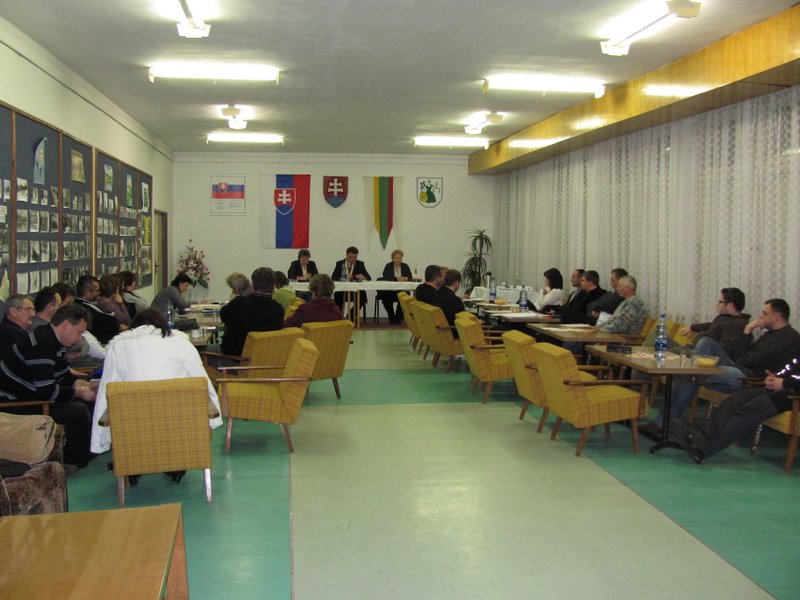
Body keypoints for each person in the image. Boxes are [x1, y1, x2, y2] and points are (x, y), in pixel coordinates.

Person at [645, 298, 800, 434]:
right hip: (740, 366)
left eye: (765, 314)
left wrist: (745, 341)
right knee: (706, 343)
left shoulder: (788, 337)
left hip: (749, 377)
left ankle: (663, 422)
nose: (761, 317)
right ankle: (689, 372)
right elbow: (742, 355)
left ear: (776, 317)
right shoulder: (770, 334)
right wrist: (747, 331)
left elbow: (753, 359)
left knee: (691, 374)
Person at [90, 308, 223, 455]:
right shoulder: (182, 344)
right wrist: (214, 416)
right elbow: (201, 381)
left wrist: (99, 438)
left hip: (134, 427)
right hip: (178, 423)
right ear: (162, 325)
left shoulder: (117, 348)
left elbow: (106, 390)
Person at [0, 304, 96, 467]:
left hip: (31, 395)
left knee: (85, 400)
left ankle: (89, 452)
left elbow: (63, 375)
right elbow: (47, 391)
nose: (80, 338)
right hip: (15, 403)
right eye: (79, 332)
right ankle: (75, 463)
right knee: (76, 410)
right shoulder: (42, 344)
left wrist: (84, 383)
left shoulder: (53, 340)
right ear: (65, 325)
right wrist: (79, 392)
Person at [669, 355, 800, 463]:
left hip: (794, 395)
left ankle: (703, 450)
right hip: (787, 388)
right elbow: (791, 367)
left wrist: (784, 382)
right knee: (737, 399)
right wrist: (775, 377)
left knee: (753, 409)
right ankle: (702, 433)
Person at [218, 267, 284, 356]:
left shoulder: (239, 303)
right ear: (274, 287)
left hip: (235, 357)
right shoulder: (279, 309)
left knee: (201, 351)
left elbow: (223, 315)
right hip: (266, 358)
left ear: (253, 286)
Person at [678, 287, 750, 361]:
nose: (717, 304)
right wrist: (691, 327)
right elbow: (711, 325)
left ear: (730, 306)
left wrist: (701, 342)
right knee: (669, 342)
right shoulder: (725, 318)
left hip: (711, 358)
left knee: (705, 342)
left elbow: (724, 350)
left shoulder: (738, 325)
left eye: (720, 302)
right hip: (696, 351)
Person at [74, 274, 122, 344]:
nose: (99, 293)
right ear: (87, 293)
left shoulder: (76, 303)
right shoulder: (87, 306)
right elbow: (111, 319)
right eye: (97, 291)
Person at [331, 246, 371, 319]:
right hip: (343, 290)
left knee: (363, 296)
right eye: (351, 257)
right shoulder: (340, 263)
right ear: (346, 255)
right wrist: (344, 278)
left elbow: (368, 278)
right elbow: (334, 277)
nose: (353, 259)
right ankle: (339, 317)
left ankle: (351, 316)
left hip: (355, 290)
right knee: (337, 296)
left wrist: (363, 277)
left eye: (355, 257)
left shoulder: (360, 264)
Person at [379, 249, 412, 324]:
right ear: (393, 258)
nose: (398, 260)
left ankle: (398, 317)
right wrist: (396, 278)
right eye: (396, 258)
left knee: (405, 296)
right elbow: (385, 276)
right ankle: (391, 316)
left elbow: (410, 276)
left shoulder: (405, 266)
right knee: (385, 297)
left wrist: (405, 278)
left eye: (400, 258)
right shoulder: (388, 266)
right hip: (390, 290)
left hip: (401, 290)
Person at [0, 294, 35, 359]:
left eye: (33, 310)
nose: (33, 314)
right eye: (28, 309)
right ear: (13, 311)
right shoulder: (9, 335)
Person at [432, 269, 465, 337]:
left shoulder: (438, 292)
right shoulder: (455, 300)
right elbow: (464, 318)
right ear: (456, 283)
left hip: (440, 330)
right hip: (452, 332)